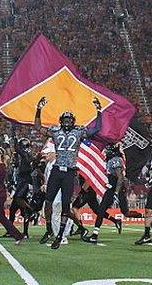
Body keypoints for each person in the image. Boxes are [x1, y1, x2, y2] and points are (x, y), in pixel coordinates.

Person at [33, 96, 104, 249]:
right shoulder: (55, 130)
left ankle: (60, 235)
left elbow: (97, 129)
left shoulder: (79, 131)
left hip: (70, 172)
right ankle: (49, 230)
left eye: (69, 119)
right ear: (61, 120)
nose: (67, 122)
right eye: (64, 119)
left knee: (66, 205)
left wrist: (99, 111)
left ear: (73, 121)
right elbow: (38, 127)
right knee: (48, 201)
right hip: (57, 170)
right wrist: (39, 109)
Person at [84, 143, 127, 244]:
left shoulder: (116, 160)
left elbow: (120, 178)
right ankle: (95, 234)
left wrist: (116, 192)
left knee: (125, 212)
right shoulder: (110, 160)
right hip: (111, 189)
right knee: (101, 210)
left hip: (116, 189)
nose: (106, 152)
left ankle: (147, 218)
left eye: (108, 150)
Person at [7, 137, 37, 238]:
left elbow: (18, 150)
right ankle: (12, 231)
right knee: (12, 209)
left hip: (25, 181)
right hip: (21, 182)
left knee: (19, 200)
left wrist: (14, 139)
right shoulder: (25, 155)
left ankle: (32, 211)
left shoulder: (25, 154)